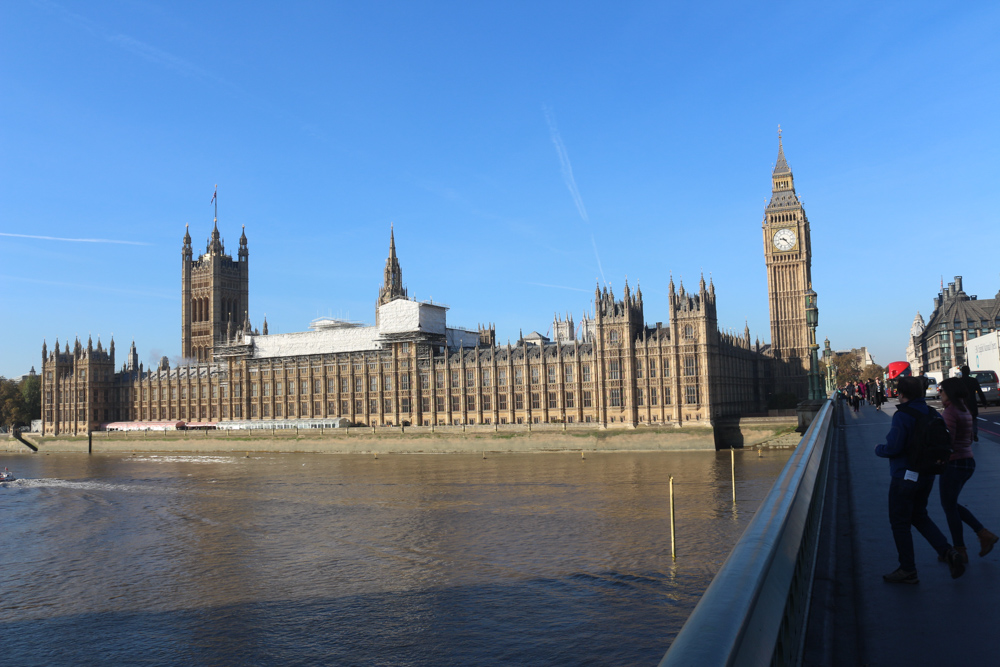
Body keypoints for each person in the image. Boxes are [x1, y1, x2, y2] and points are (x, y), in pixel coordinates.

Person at [875, 376, 965, 583]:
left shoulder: (902, 415)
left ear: (900, 393)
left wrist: (878, 449)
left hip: (904, 476)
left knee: (900, 523)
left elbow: (894, 447)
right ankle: (948, 551)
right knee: (919, 515)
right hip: (927, 474)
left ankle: (908, 569)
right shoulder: (932, 412)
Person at [938, 377, 999, 562]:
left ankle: (960, 549)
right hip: (967, 461)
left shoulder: (950, 412)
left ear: (949, 392)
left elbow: (946, 441)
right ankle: (982, 534)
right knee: (951, 505)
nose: (939, 393)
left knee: (949, 507)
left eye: (942, 390)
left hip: (954, 463)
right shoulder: (964, 409)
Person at [960, 365, 988, 442]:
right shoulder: (973, 381)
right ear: (969, 372)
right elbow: (979, 392)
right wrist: (984, 402)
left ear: (962, 372)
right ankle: (974, 433)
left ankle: (967, 434)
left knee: (964, 420)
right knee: (974, 419)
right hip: (972, 402)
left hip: (963, 404)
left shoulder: (959, 381)